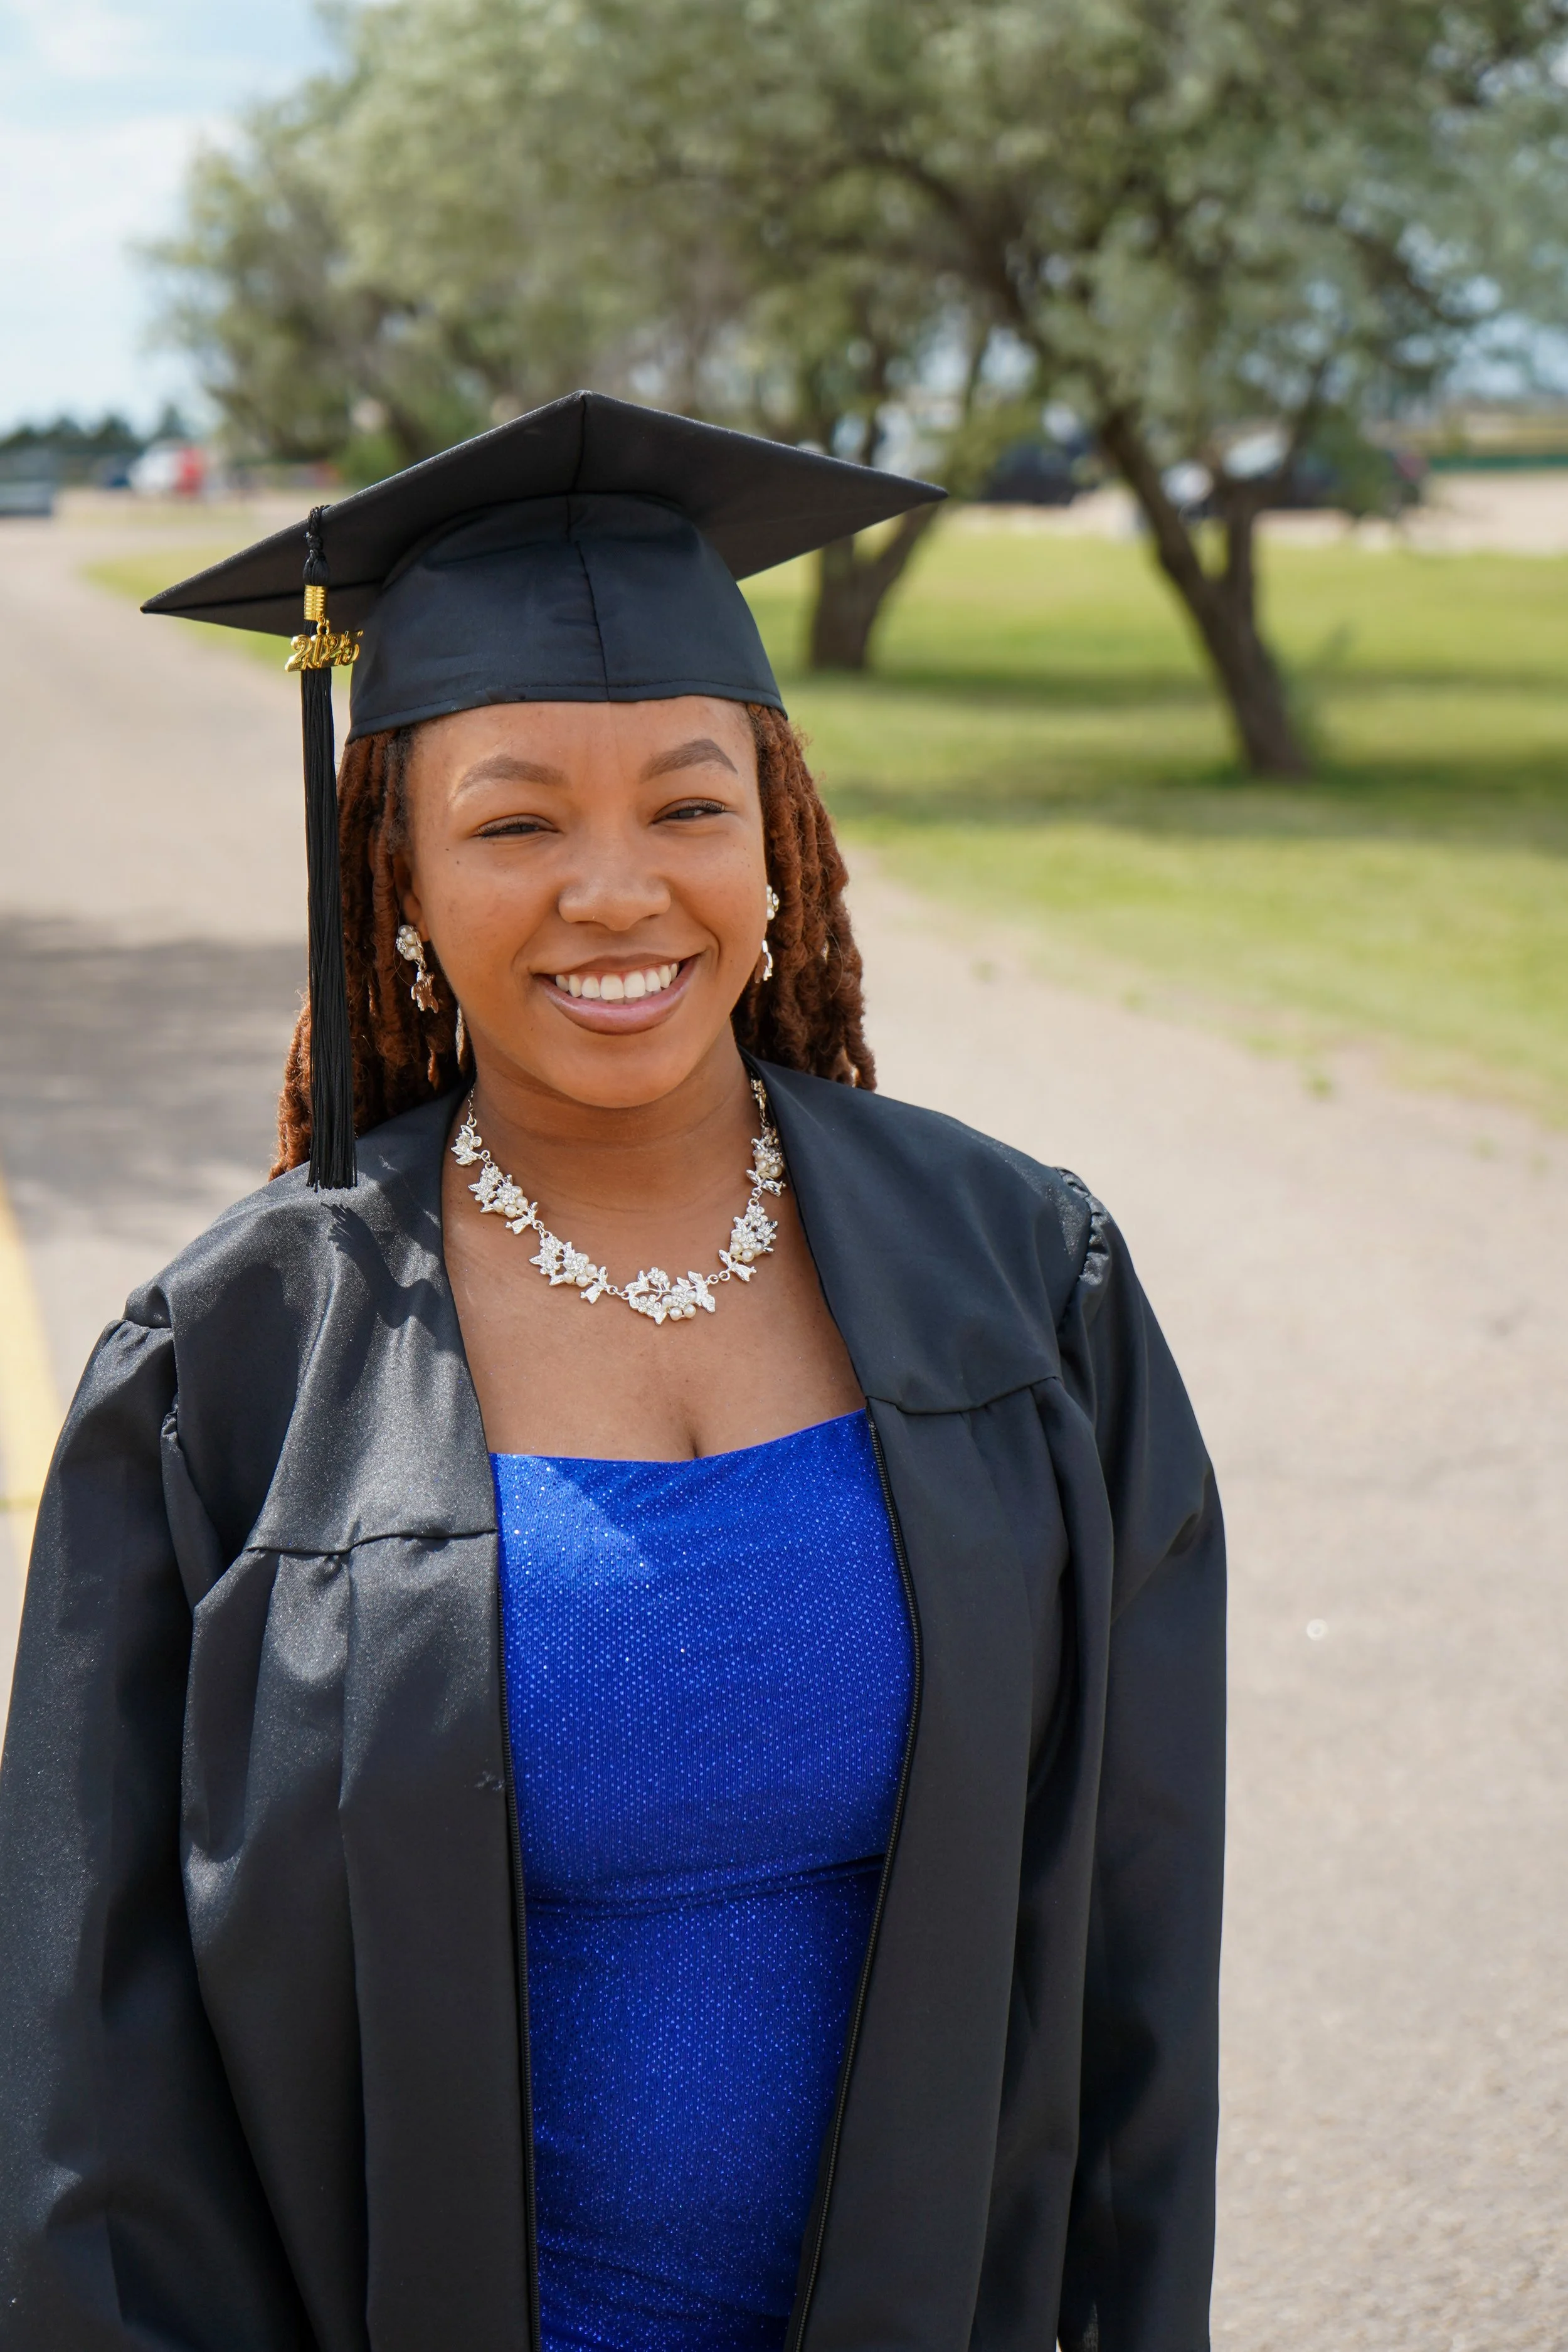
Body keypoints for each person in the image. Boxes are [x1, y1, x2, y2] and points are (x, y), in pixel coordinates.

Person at [0, 393, 1225, 2352]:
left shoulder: (1023, 1281)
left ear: (779, 840)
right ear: (392, 870)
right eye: (511, 819)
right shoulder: (231, 1363)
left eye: (685, 803)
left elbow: (1141, 1952)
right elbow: (89, 2070)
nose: (614, 890)